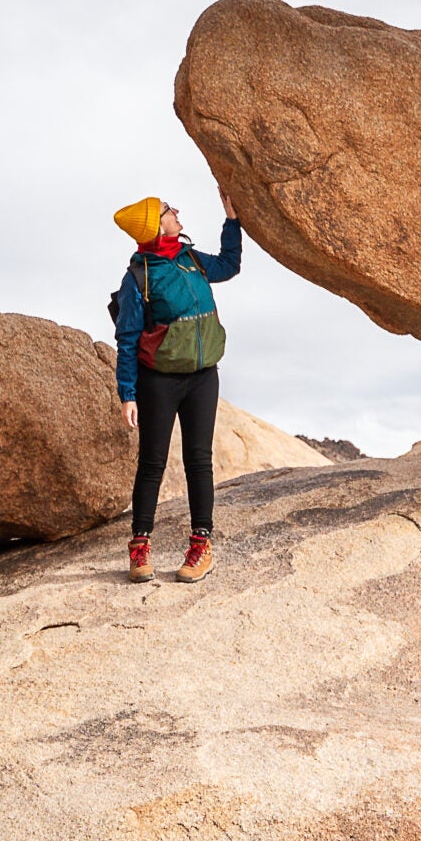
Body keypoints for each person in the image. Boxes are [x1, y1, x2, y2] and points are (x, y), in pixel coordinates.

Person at [110, 190, 241, 582]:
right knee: (152, 464)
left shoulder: (192, 260)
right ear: (156, 225)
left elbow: (230, 265)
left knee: (198, 460)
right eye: (169, 210)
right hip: (159, 381)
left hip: (203, 376)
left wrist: (232, 220)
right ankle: (140, 549)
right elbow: (127, 337)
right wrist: (128, 393)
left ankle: (201, 548)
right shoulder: (138, 276)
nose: (177, 212)